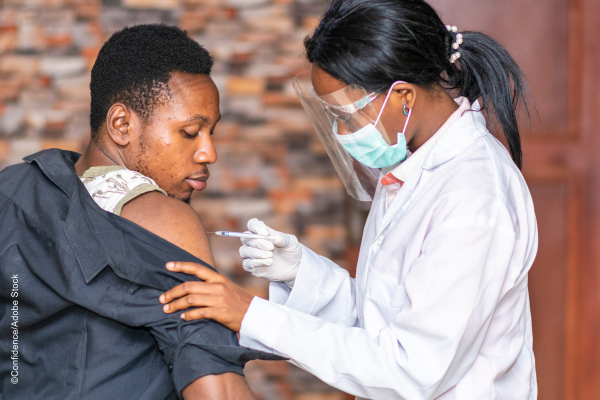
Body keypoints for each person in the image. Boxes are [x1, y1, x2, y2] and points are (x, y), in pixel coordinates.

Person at [159, 0, 538, 398]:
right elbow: (380, 317)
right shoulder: (412, 169)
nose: (341, 132)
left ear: (403, 97)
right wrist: (302, 272)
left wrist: (253, 315)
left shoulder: (473, 197)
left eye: (346, 114)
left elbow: (411, 368)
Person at [0, 24, 280, 400]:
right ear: (121, 124)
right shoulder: (164, 218)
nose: (208, 153)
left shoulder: (14, 189)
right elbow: (217, 388)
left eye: (211, 132)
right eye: (190, 132)